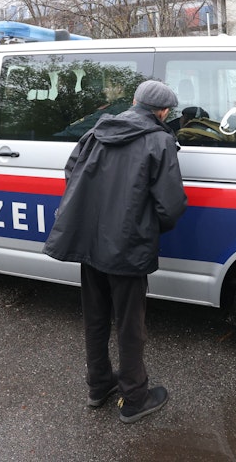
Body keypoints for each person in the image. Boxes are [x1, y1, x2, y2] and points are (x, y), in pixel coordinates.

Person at [43, 79, 188, 424]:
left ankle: (99, 385)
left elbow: (71, 172)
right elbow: (170, 205)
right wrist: (147, 226)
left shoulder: (98, 130)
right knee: (129, 323)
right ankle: (135, 397)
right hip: (127, 246)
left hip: (89, 241)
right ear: (163, 112)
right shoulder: (160, 140)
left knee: (95, 317)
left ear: (135, 101)